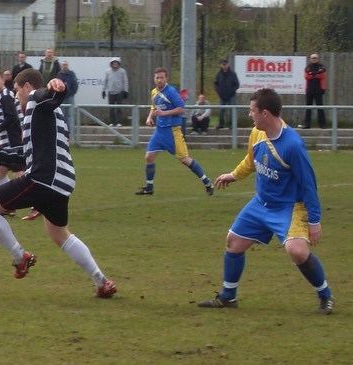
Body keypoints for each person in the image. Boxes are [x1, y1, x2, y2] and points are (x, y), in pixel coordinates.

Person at [0, 68, 117, 298]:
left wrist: (58, 86)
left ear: (27, 87)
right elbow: (27, 156)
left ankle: (21, 257)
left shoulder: (37, 100)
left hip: (43, 179)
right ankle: (102, 281)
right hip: (62, 183)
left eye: (17, 91)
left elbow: (52, 94)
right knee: (60, 235)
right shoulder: (42, 115)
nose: (17, 98)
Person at [198, 88, 334, 315]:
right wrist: (233, 175)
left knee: (297, 251)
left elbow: (309, 185)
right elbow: (251, 161)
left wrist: (315, 220)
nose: (250, 115)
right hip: (261, 203)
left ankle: (326, 296)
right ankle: (228, 297)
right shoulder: (257, 133)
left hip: (289, 207)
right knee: (233, 242)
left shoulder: (293, 145)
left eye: (252, 111)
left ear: (265, 114)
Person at [135, 68, 214, 196]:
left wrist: (164, 113)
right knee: (149, 157)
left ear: (166, 79)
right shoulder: (154, 92)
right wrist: (150, 117)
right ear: (154, 79)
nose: (159, 80)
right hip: (159, 131)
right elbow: (154, 107)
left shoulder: (171, 92)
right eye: (157, 77)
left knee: (185, 160)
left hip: (172, 132)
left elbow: (181, 109)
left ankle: (207, 182)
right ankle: (149, 187)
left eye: (161, 77)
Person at [0, 69, 24, 186]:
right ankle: (8, 200)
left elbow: (12, 118)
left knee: (20, 175)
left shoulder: (5, 96)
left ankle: (35, 201)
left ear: (3, 80)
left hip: (13, 141)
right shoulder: (3, 95)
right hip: (6, 142)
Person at [299, 53, 327, 129]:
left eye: (315, 58)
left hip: (319, 90)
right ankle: (307, 125)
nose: (314, 59)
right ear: (310, 59)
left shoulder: (322, 66)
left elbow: (322, 75)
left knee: (320, 108)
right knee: (308, 108)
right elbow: (307, 76)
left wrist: (313, 74)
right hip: (309, 90)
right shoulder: (308, 67)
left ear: (318, 59)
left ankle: (322, 125)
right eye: (312, 58)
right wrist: (316, 74)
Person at [101, 59, 129, 127]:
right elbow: (105, 81)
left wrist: (126, 91)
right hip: (110, 92)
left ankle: (118, 122)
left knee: (119, 108)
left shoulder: (122, 71)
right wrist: (103, 90)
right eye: (114, 63)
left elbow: (125, 81)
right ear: (111, 64)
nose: (115, 64)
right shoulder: (107, 71)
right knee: (111, 108)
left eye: (116, 63)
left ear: (118, 64)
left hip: (119, 92)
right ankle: (112, 122)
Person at [213, 59, 239, 130]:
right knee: (221, 110)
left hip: (231, 96)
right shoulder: (219, 74)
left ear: (228, 64)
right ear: (221, 65)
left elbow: (237, 84)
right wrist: (218, 91)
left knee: (232, 111)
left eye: (225, 64)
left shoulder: (233, 74)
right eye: (223, 64)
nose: (224, 66)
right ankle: (221, 124)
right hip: (222, 96)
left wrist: (232, 91)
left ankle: (232, 125)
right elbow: (215, 84)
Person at [57, 60, 79, 127]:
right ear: (61, 66)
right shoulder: (59, 74)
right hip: (62, 97)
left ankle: (70, 131)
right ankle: (64, 130)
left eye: (65, 65)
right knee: (62, 114)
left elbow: (75, 85)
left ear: (67, 66)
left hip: (70, 97)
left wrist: (72, 93)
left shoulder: (72, 74)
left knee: (70, 115)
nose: (64, 66)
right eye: (63, 65)